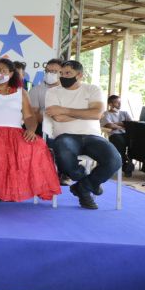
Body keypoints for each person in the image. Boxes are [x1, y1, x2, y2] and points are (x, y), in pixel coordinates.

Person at [0, 58, 60, 203]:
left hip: (15, 133)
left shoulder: (21, 92)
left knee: (37, 146)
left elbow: (29, 116)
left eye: (2, 70)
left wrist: (31, 130)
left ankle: (20, 187)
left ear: (11, 73)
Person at [46, 60, 122, 209]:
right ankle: (87, 184)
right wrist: (86, 113)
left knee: (114, 160)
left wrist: (66, 110)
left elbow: (97, 114)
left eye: (68, 73)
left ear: (79, 75)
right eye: (61, 73)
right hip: (65, 136)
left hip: (92, 137)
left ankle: (82, 187)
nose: (63, 76)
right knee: (63, 154)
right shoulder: (52, 92)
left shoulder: (93, 89)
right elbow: (58, 117)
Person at [28, 58, 63, 137]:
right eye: (47, 71)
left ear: (62, 73)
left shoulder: (68, 89)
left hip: (64, 125)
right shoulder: (36, 89)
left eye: (54, 71)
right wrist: (49, 122)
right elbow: (34, 113)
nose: (49, 73)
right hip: (42, 124)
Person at [101, 94, 133, 177]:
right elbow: (110, 126)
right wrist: (123, 124)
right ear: (110, 104)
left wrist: (117, 124)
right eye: (117, 102)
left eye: (120, 102)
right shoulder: (106, 114)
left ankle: (127, 163)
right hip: (114, 135)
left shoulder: (124, 113)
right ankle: (125, 165)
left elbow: (131, 124)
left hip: (126, 134)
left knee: (135, 143)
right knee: (120, 143)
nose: (120, 104)